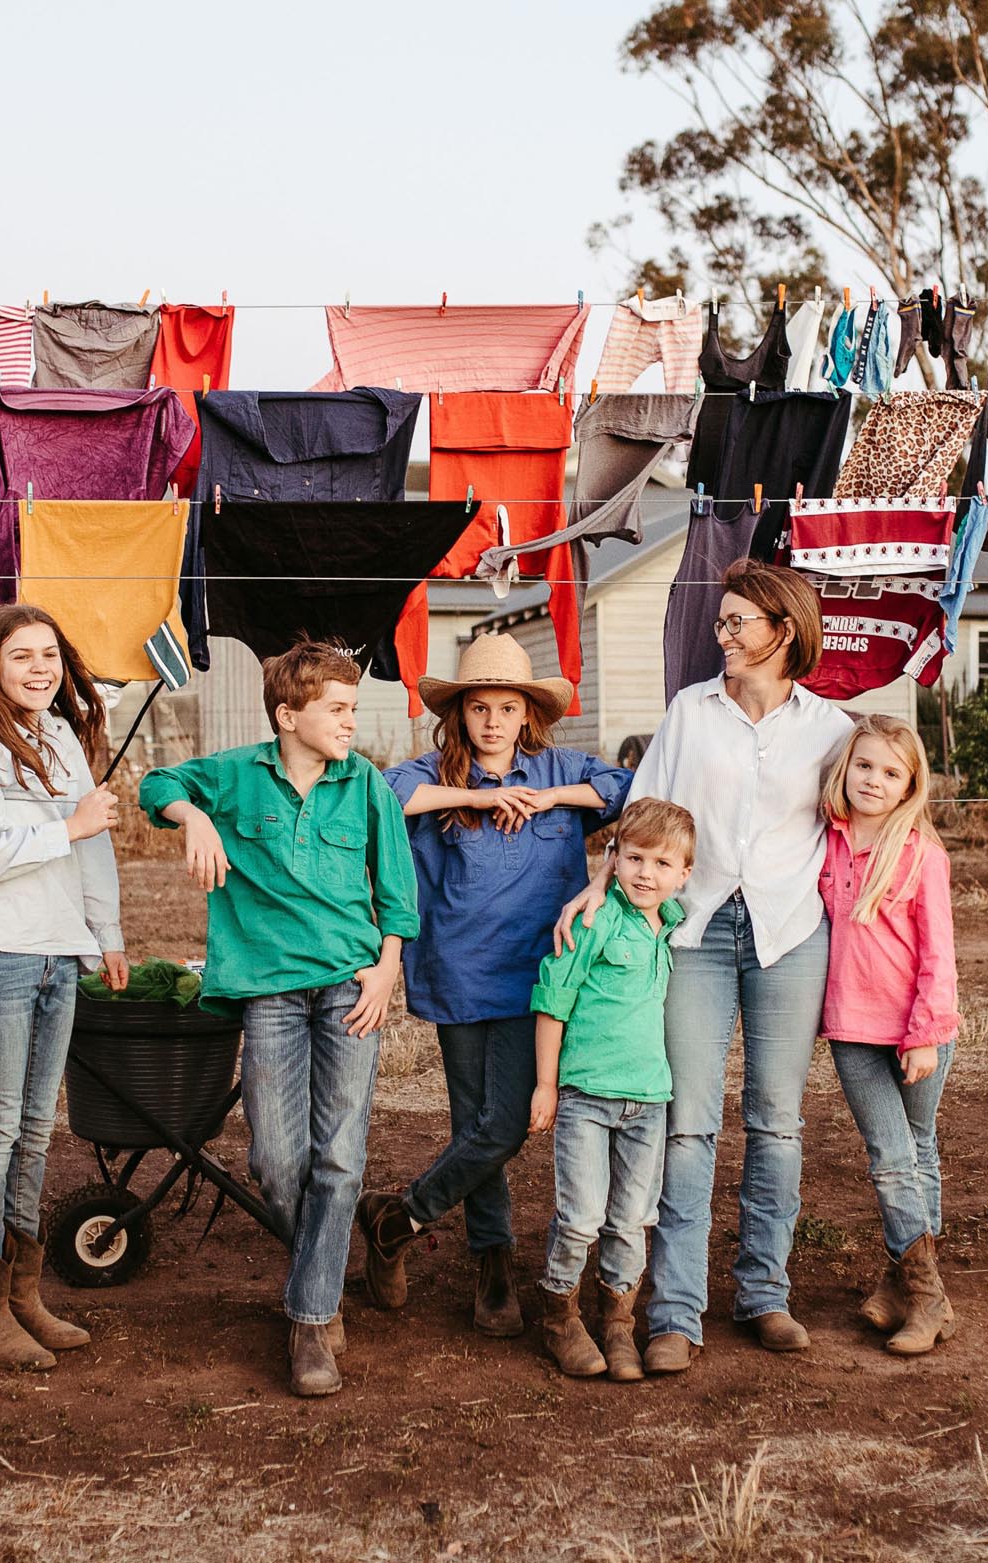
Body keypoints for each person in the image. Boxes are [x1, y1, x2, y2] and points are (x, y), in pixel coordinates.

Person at [557, 558, 853, 1374]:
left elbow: (865, 825)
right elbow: (644, 812)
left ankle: (765, 1291)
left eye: (736, 624)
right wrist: (597, 885)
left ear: (783, 633)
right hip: (691, 935)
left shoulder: (832, 729)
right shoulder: (690, 712)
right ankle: (675, 1309)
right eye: (720, 622)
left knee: (776, 1120)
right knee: (687, 1122)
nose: (720, 635)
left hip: (790, 932)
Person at [138, 641, 418, 1398]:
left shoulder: (366, 787)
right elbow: (154, 781)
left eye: (354, 709)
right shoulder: (236, 775)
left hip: (348, 986)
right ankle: (324, 1268)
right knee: (275, 1160)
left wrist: (388, 968)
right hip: (267, 988)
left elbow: (396, 892)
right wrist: (193, 816)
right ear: (288, 715)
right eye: (337, 709)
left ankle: (311, 1320)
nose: (351, 722)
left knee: (340, 1154)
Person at [357, 634, 632, 1337]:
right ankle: (493, 1264)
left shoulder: (560, 769)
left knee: (505, 1124)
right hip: (457, 970)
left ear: (527, 714)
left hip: (536, 974)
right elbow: (381, 797)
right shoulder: (430, 773)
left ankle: (400, 1214)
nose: (492, 721)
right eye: (478, 707)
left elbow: (630, 790)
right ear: (460, 713)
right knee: (477, 1121)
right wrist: (478, 798)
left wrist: (544, 799)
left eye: (506, 707)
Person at [0, 603, 125, 1371]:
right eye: (22, 657)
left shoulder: (61, 739)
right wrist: (66, 826)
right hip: (0, 952)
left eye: (50, 655)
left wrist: (105, 930)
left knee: (39, 1126)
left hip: (58, 950)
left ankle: (21, 1292)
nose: (41, 668)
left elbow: (93, 841)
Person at [527, 798, 695, 1381]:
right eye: (635, 857)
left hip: (649, 1101)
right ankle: (558, 1315)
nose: (647, 872)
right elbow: (554, 998)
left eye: (662, 863)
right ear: (613, 859)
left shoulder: (671, 926)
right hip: (585, 1097)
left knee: (630, 1220)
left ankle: (618, 1323)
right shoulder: (594, 921)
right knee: (579, 1216)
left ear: (683, 875)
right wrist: (545, 1084)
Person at [818, 715, 961, 1355]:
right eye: (865, 765)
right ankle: (918, 1289)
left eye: (890, 772)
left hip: (917, 1030)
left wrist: (925, 1032)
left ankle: (917, 1292)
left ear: (910, 786)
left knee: (915, 1150)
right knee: (893, 1155)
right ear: (846, 768)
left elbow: (940, 955)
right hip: (853, 1026)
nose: (874, 780)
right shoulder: (827, 841)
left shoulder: (923, 855)